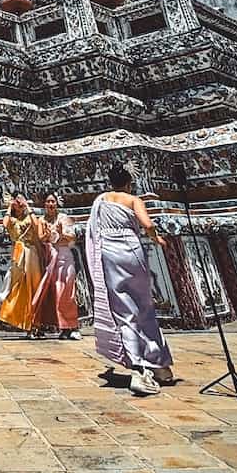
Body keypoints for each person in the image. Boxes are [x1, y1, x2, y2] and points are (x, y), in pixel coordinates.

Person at [86, 163, 174, 396]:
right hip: (131, 250)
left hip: (109, 253)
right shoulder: (134, 199)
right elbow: (148, 224)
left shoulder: (101, 200)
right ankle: (158, 365)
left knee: (124, 310)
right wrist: (157, 239)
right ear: (129, 183)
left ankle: (140, 366)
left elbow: (93, 231)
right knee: (144, 306)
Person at [0, 192, 49, 337]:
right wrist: (9, 207)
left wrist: (28, 206)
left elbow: (37, 224)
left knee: (35, 287)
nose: (19, 203)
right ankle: (26, 324)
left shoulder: (28, 217)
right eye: (17, 201)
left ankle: (37, 324)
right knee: (20, 289)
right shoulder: (12, 220)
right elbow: (4, 224)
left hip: (31, 253)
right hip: (19, 255)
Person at [34, 193, 81, 339]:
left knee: (67, 292)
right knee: (55, 292)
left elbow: (72, 237)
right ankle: (62, 326)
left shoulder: (63, 218)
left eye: (53, 201)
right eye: (47, 201)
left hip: (65, 257)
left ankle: (72, 326)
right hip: (50, 257)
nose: (50, 204)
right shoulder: (41, 220)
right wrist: (47, 235)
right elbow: (41, 238)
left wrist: (61, 234)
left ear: (57, 203)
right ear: (44, 205)